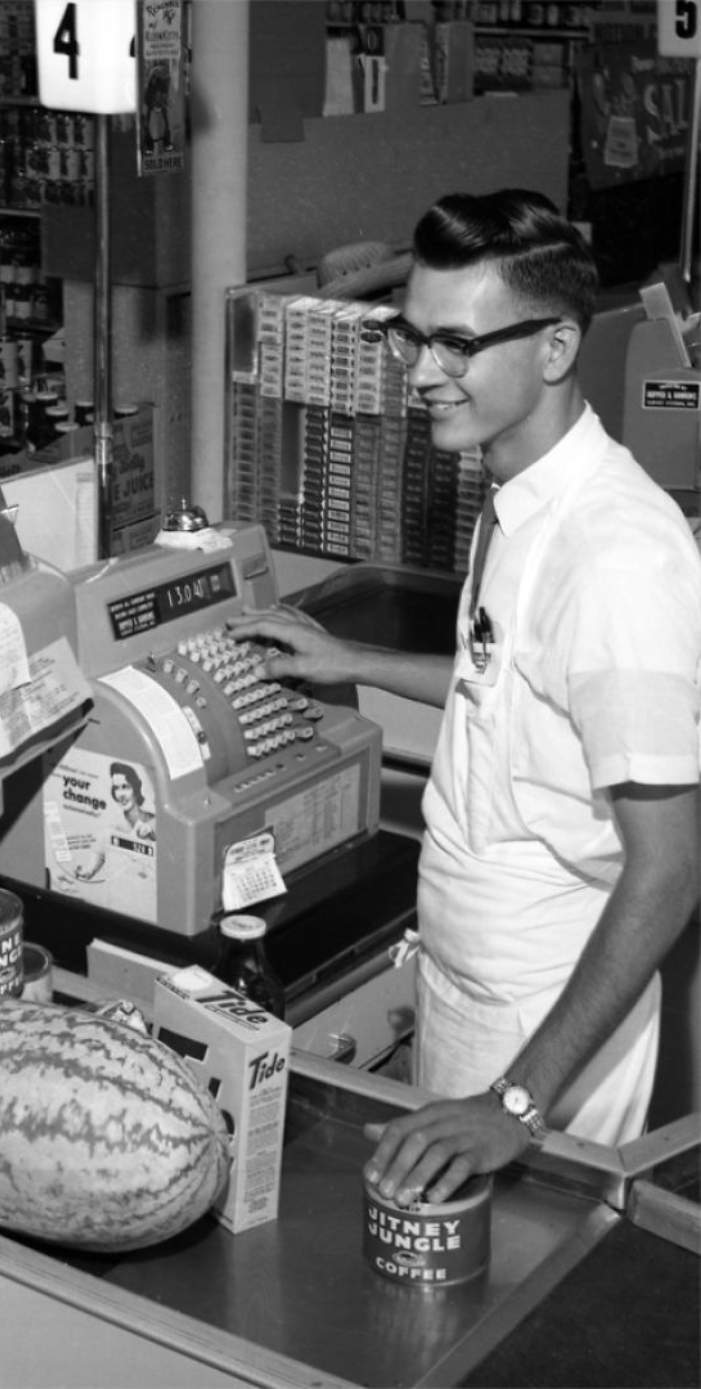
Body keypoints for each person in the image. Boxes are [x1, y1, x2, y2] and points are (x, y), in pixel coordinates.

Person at [229, 189, 701, 1206]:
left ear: (556, 346)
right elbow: (517, 687)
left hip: (548, 1027)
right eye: (414, 340)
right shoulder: (514, 497)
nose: (424, 376)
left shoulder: (617, 558)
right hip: (463, 981)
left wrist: (518, 1105)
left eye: (457, 345)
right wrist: (346, 660)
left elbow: (671, 869)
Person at [110, 762, 156, 841]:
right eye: (116, 788)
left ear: (136, 788)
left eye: (125, 787)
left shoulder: (155, 821)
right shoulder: (114, 827)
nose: (120, 794)